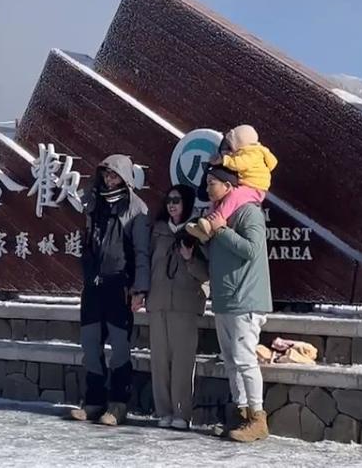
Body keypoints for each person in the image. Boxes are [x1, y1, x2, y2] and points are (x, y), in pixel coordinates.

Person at [189, 164, 273, 442]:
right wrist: (199, 244)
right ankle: (240, 414)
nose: (208, 187)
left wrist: (221, 231)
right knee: (231, 361)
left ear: (229, 186)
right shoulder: (216, 215)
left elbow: (252, 250)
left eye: (213, 182)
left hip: (245, 298)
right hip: (224, 298)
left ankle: (258, 418)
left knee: (245, 360)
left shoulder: (249, 212)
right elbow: (219, 255)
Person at [69, 154, 151, 426]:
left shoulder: (136, 209)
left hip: (120, 287)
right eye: (106, 175)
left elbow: (141, 253)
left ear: (125, 177)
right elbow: (87, 246)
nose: (109, 179)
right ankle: (93, 401)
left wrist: (139, 289)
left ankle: (117, 404)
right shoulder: (94, 203)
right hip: (93, 287)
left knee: (119, 349)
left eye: (114, 175)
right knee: (90, 346)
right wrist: (88, 274)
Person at [147, 184, 209, 431]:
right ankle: (163, 411)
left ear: (187, 204)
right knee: (159, 360)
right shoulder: (158, 230)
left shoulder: (198, 231)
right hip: (158, 301)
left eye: (177, 200)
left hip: (186, 303)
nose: (172, 204)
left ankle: (182, 413)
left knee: (183, 361)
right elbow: (146, 263)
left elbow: (206, 273)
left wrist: (189, 259)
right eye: (169, 200)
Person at [186, 125, 277, 243]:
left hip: (255, 188)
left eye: (230, 146)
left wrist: (224, 160)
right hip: (246, 184)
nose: (229, 151)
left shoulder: (253, 153)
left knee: (233, 196)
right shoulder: (245, 152)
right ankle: (205, 228)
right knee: (218, 199)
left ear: (240, 143)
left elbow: (240, 164)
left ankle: (217, 219)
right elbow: (203, 193)